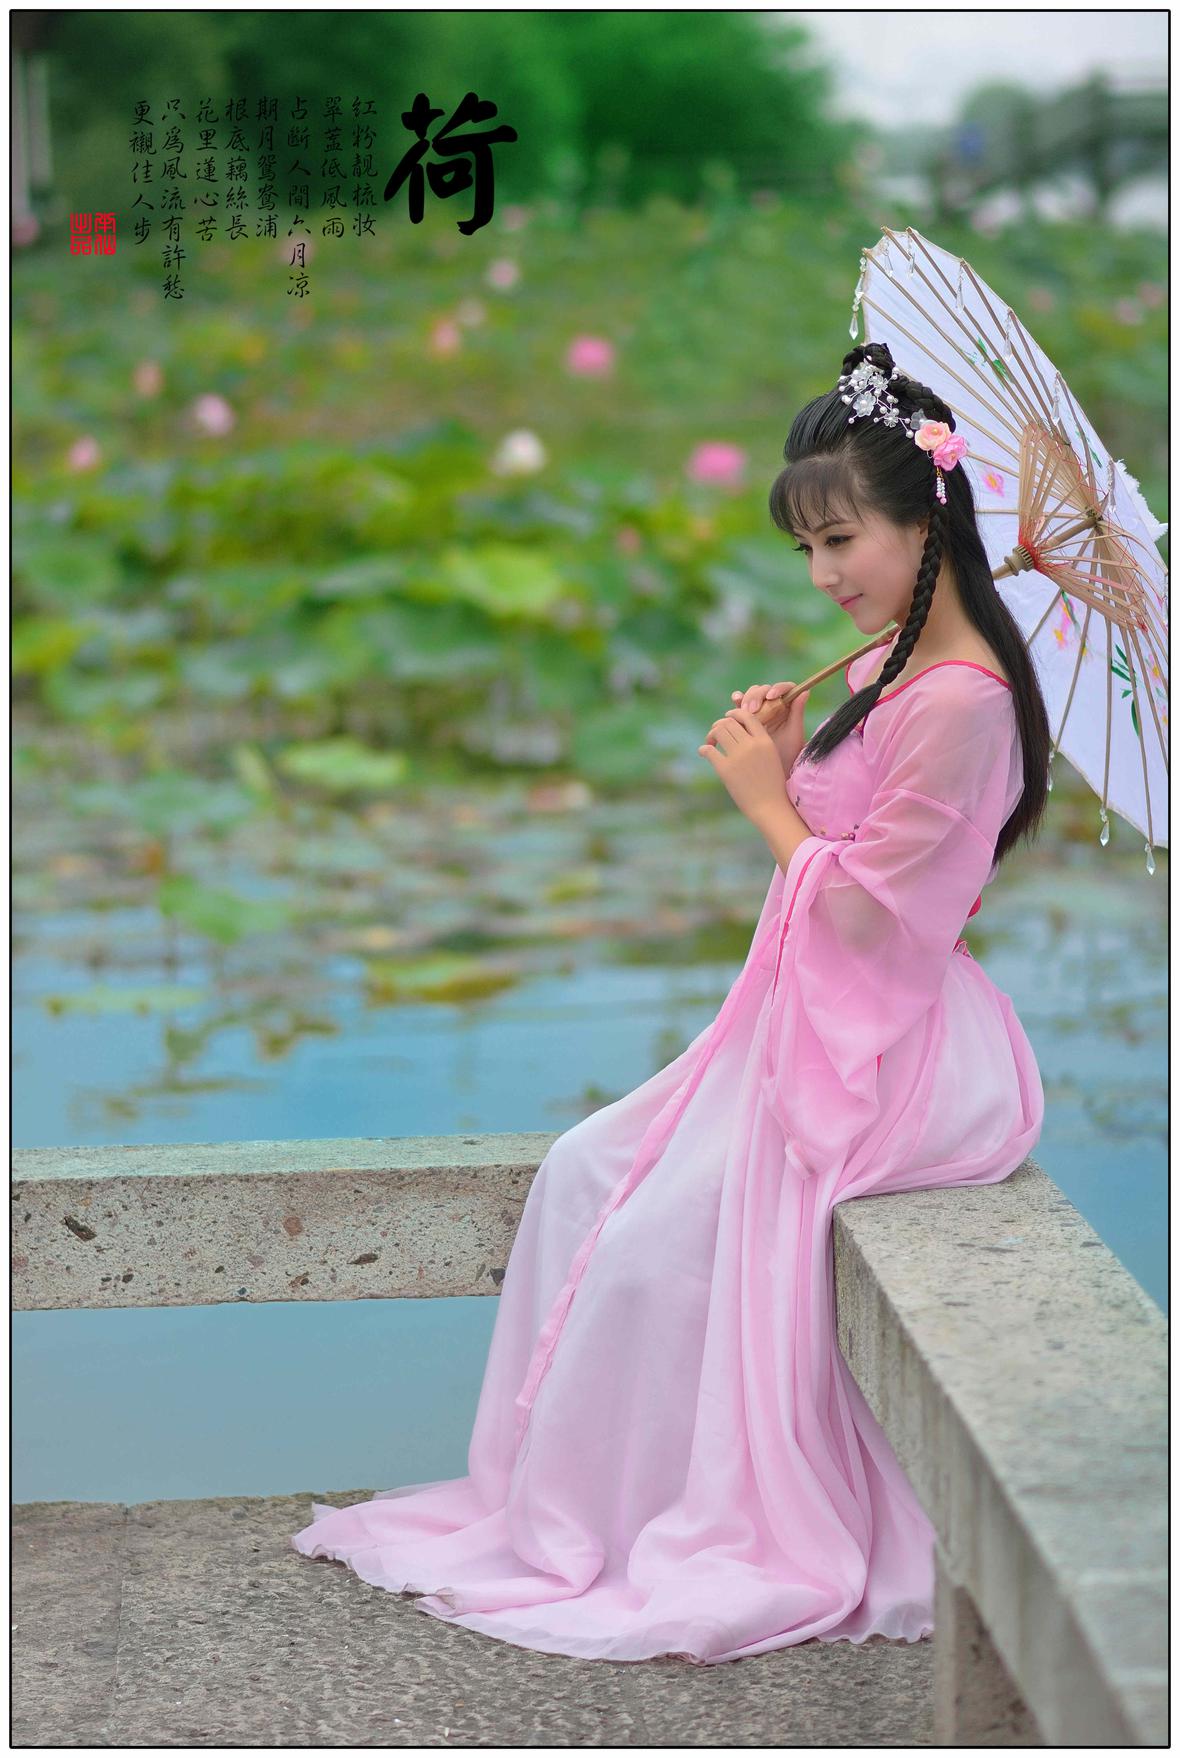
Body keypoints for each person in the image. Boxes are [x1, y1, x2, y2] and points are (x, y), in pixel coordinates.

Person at [289, 340, 1049, 1665]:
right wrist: (793, 753)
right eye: (807, 548)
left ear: (928, 521)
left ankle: (659, 1523)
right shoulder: (881, 669)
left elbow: (878, 918)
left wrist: (763, 801)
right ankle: (561, 1505)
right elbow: (847, 848)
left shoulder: (965, 705)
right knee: (583, 1171)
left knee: (653, 1248)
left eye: (843, 541)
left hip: (891, 1045)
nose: (822, 576)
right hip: (804, 1019)